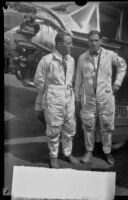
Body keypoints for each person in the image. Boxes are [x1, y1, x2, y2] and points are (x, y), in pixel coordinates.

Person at [75, 30, 127, 165]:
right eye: (91, 40)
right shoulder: (82, 57)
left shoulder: (109, 55)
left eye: (96, 40)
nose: (93, 43)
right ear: (88, 42)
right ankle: (89, 151)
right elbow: (78, 78)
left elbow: (123, 65)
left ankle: (107, 151)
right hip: (88, 98)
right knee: (88, 126)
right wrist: (77, 97)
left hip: (106, 97)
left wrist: (117, 83)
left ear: (100, 41)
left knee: (107, 126)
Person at [34, 31, 79, 168]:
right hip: (54, 101)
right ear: (59, 43)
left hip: (68, 100)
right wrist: (51, 93)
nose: (72, 45)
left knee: (69, 128)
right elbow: (38, 81)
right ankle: (53, 156)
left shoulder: (71, 60)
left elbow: (70, 80)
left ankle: (67, 153)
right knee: (53, 130)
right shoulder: (47, 60)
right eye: (69, 43)